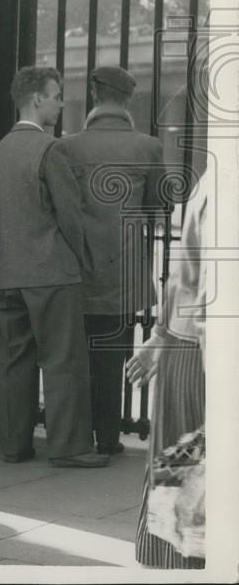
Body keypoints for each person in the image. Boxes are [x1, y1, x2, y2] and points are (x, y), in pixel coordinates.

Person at [0, 66, 108, 467]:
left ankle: (15, 445)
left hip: (10, 272)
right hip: (52, 272)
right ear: (37, 99)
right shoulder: (53, 150)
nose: (60, 103)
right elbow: (71, 216)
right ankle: (69, 447)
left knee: (14, 361)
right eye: (56, 95)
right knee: (62, 360)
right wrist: (81, 260)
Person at [63, 66, 169, 455]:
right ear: (127, 100)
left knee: (77, 355)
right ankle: (109, 436)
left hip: (78, 269)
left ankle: (79, 434)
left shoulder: (68, 147)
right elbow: (158, 205)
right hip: (125, 270)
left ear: (93, 93)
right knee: (114, 355)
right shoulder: (148, 147)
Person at [129, 169, 208, 568]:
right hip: (201, 352)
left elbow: (185, 269)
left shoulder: (212, 182)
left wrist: (161, 335)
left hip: (190, 345)